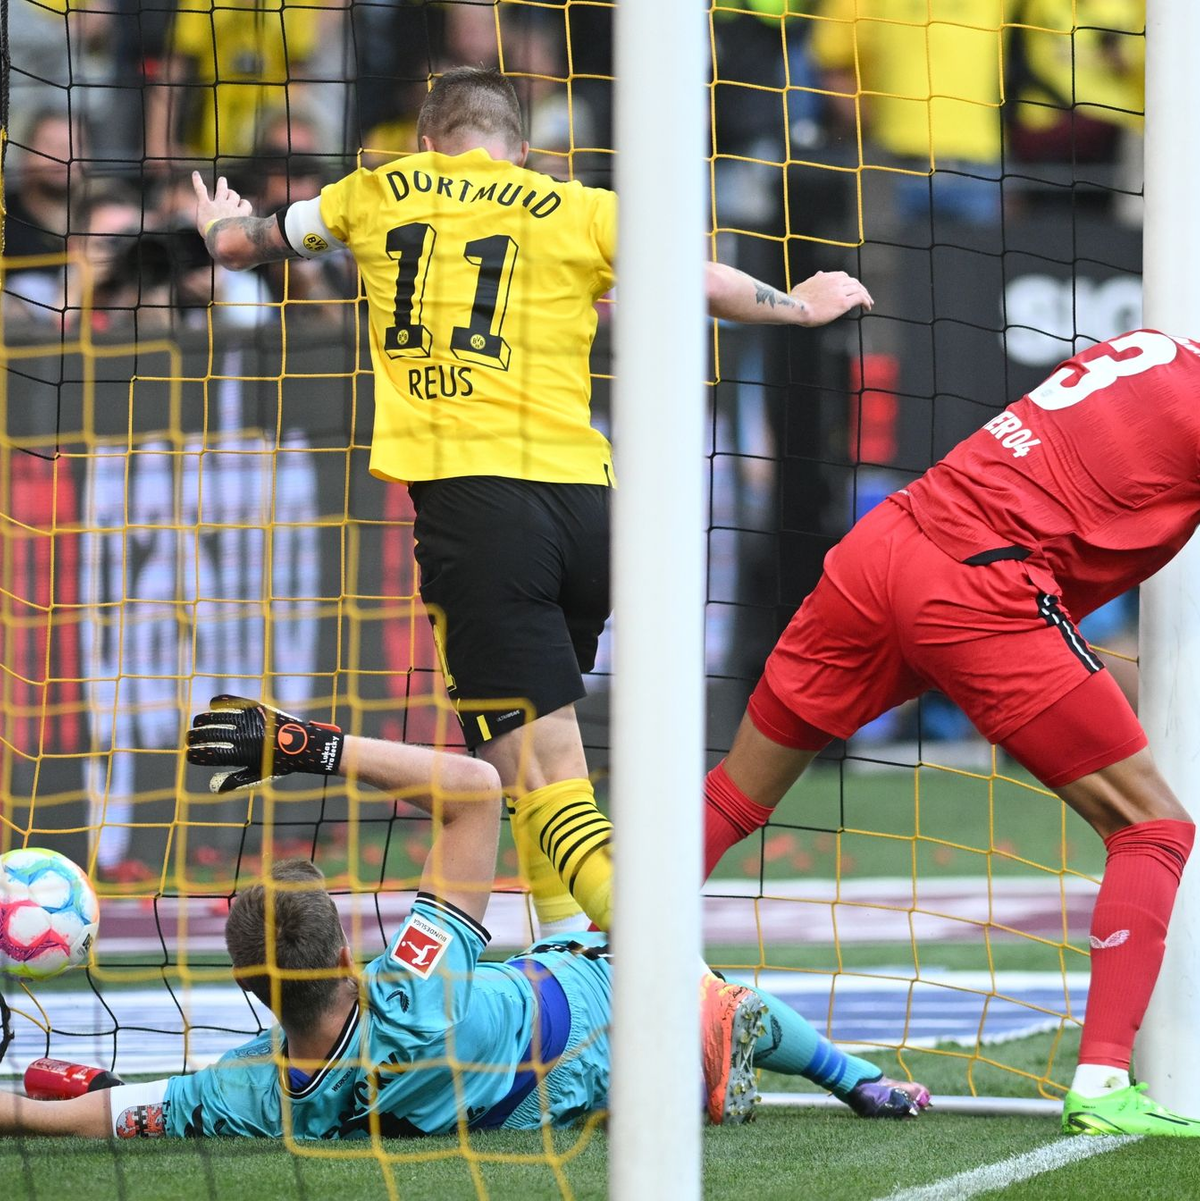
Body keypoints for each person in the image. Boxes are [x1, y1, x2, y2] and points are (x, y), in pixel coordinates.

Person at [188, 66, 874, 941]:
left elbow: (246, 246)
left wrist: (217, 222)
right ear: (520, 149)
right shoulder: (581, 208)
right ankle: (570, 958)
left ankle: (679, 990)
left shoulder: (371, 193)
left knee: (543, 773)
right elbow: (699, 280)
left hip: (477, 515)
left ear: (430, 139)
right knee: (529, 771)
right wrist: (799, 308)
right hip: (589, 515)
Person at [0, 696, 930, 1139]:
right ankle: (851, 1077)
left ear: (251, 988)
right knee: (694, 975)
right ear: (351, 951)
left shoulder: (255, 1092)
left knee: (545, 777)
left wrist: (14, 1105)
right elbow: (470, 792)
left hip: (530, 1066)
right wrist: (306, 745)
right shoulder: (414, 986)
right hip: (591, 1004)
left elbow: (105, 1113)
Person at [701, 329, 1200, 1137]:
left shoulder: (1150, 346)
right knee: (1152, 826)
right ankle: (1106, 1079)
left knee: (732, 794)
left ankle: (585, 957)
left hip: (882, 545)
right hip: (982, 588)